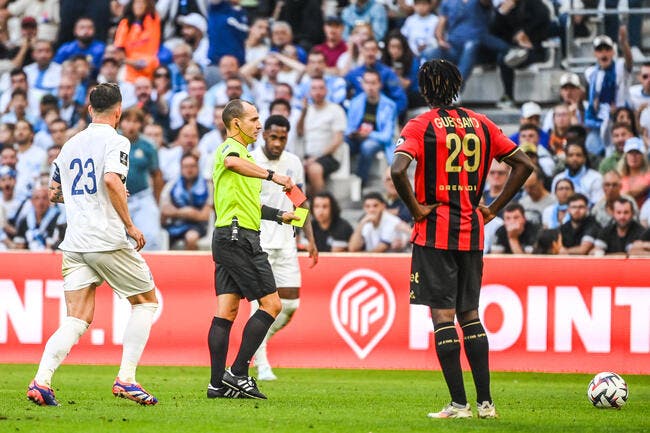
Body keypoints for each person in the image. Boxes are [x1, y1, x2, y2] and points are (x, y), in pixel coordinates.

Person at [391, 59, 533, 419]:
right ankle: (486, 404)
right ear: (456, 86)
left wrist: (416, 209)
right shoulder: (482, 123)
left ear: (425, 90)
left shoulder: (421, 125)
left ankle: (459, 404)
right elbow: (525, 165)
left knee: (443, 318)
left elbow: (397, 169)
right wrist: (495, 208)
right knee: (470, 315)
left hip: (435, 232)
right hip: (472, 231)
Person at [27, 83, 159, 406]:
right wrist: (129, 224)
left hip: (74, 242)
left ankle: (41, 382)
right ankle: (126, 378)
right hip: (106, 238)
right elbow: (112, 180)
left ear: (89, 110)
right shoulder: (117, 141)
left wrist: (86, 197)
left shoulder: (69, 145)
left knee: (78, 318)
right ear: (118, 112)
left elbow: (55, 193)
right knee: (146, 303)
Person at [207, 99, 297, 400]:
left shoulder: (244, 156)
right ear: (236, 123)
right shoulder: (230, 151)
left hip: (229, 235)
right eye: (254, 119)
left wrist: (279, 215)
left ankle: (217, 385)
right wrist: (274, 176)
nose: (259, 125)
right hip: (238, 237)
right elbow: (232, 162)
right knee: (273, 305)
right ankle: (239, 372)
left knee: (227, 311)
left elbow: (250, 204)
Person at [250, 114, 318, 381]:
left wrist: (310, 238)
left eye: (283, 138)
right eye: (274, 137)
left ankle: (258, 344)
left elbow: (299, 201)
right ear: (264, 134)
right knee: (263, 306)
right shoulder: (252, 161)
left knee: (290, 305)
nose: (277, 143)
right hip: (260, 242)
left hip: (287, 243)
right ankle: (262, 363)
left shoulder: (293, 163)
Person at [160, 152, 212, 250]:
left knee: (191, 237)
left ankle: (191, 265)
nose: (189, 170)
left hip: (198, 226)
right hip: (175, 224)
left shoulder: (207, 186)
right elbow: (165, 211)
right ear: (181, 168)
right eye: (185, 166)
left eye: (192, 166)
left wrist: (175, 212)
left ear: (198, 167)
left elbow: (205, 215)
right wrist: (187, 212)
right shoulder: (172, 185)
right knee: (158, 237)